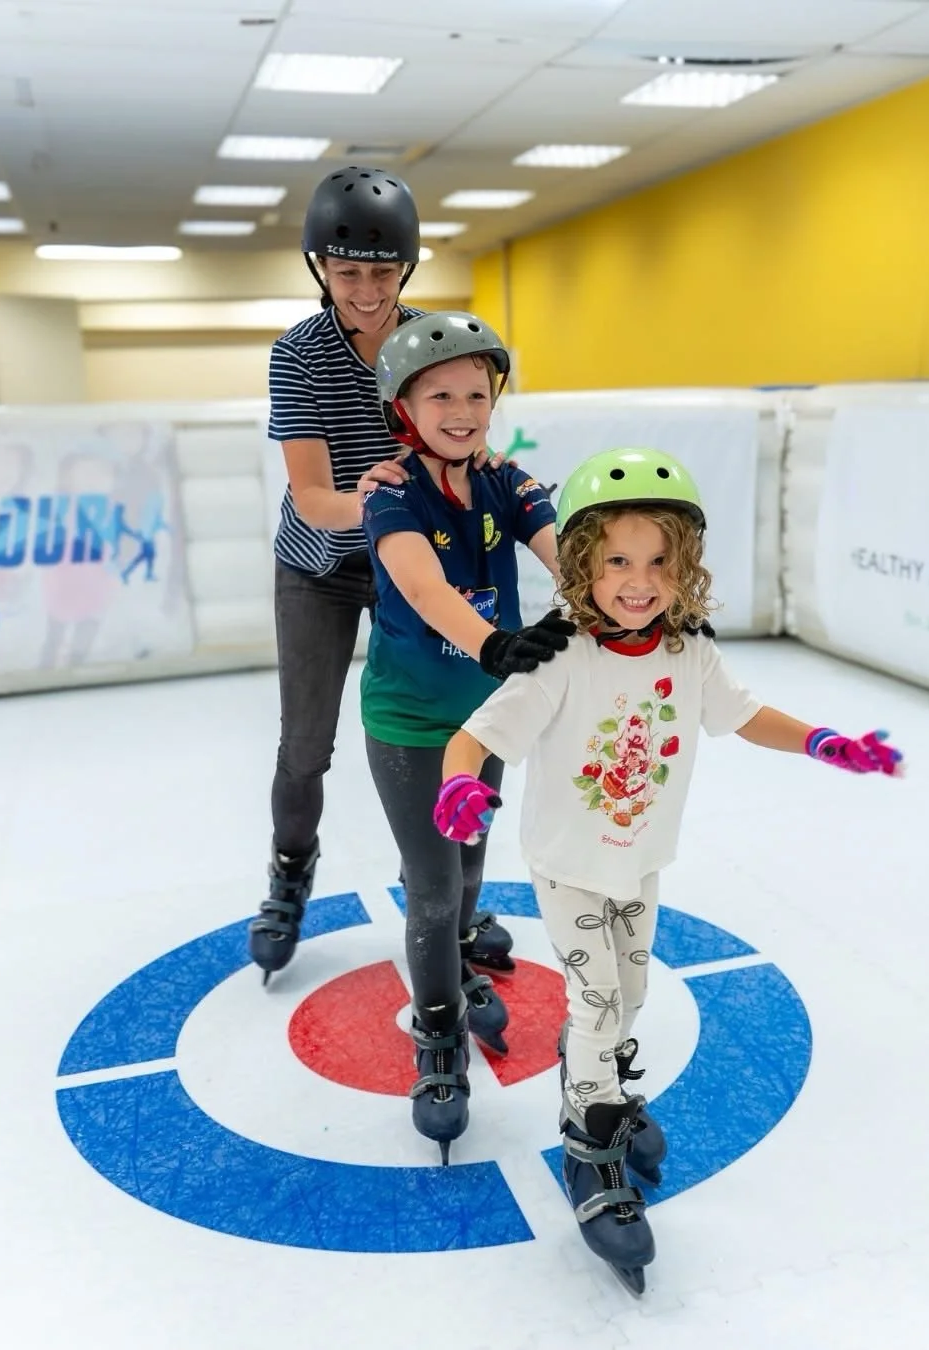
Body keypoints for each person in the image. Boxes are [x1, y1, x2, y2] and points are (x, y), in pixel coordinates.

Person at [433, 446, 905, 1294]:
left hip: (640, 861)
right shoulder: (562, 656)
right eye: (617, 560)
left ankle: (605, 1080)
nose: (639, 580)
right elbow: (473, 735)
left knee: (631, 994)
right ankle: (590, 1149)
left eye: (659, 561)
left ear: (686, 567)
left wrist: (825, 741)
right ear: (581, 565)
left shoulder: (688, 653)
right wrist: (461, 784)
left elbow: (746, 715)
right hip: (571, 865)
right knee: (602, 1002)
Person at [248, 167, 514, 982]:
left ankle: (442, 893)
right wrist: (377, 501)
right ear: (320, 268)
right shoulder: (297, 355)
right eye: (348, 272)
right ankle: (290, 872)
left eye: (383, 272)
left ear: (408, 269)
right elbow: (312, 498)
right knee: (307, 746)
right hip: (324, 565)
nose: (366, 290)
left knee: (454, 723)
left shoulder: (437, 339)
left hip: (420, 567)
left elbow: (463, 437)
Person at [361, 310, 573, 1163]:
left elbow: (563, 548)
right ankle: (439, 1031)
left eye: (476, 394)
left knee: (475, 868)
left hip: (486, 719)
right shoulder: (389, 490)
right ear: (403, 407)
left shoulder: (505, 480)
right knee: (436, 885)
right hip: (413, 723)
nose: (462, 409)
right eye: (440, 394)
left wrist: (611, 604)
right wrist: (493, 644)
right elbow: (417, 581)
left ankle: (457, 966)